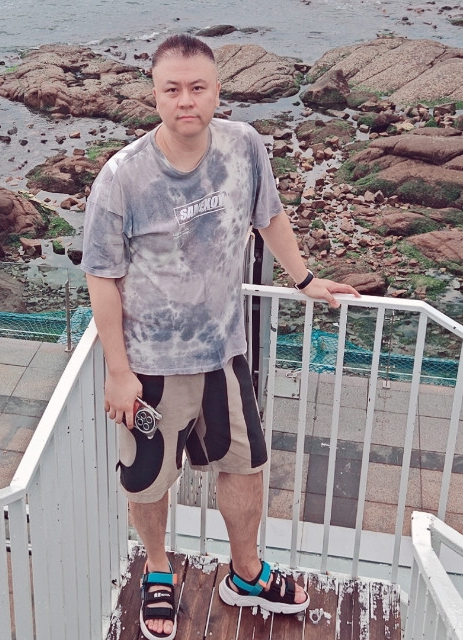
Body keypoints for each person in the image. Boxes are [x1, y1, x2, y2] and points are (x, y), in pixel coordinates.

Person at [81, 33, 360, 640]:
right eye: (172, 89)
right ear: (155, 95)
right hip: (152, 365)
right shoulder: (122, 177)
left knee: (247, 465)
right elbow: (101, 278)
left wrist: (305, 278)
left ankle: (246, 572)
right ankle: (159, 570)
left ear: (216, 91)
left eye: (197, 87)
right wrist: (119, 371)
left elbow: (269, 215)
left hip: (226, 352)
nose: (186, 100)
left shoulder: (244, 145)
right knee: (148, 482)